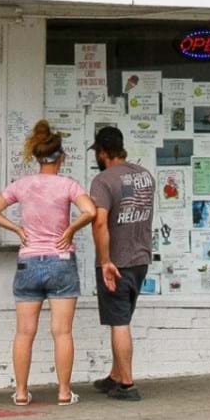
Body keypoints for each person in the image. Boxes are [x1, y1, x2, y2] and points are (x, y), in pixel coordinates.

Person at [0, 121, 98, 407]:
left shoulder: (22, 185)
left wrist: (18, 231)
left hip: (28, 262)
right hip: (61, 262)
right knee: (62, 332)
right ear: (62, 157)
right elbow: (91, 211)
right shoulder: (68, 185)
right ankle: (63, 392)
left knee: (24, 332)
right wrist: (70, 230)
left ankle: (21, 393)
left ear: (37, 156)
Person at [86, 125, 155, 401]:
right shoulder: (145, 176)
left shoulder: (103, 181)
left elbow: (100, 222)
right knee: (123, 318)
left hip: (117, 262)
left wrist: (105, 261)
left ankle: (127, 384)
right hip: (140, 259)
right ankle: (115, 375)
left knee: (119, 322)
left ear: (102, 152)